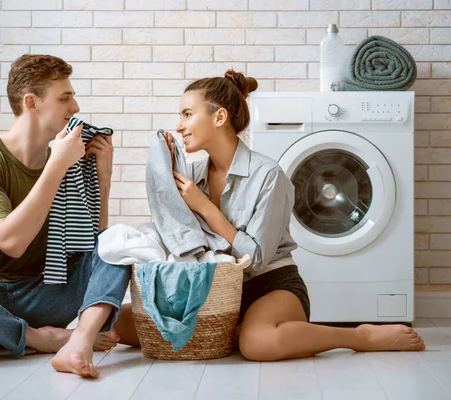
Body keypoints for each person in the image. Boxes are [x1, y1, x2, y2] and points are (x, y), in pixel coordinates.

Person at [111, 70, 426, 360]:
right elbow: (178, 232)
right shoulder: (193, 175)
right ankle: (232, 332)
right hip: (214, 288)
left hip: (271, 285)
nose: (179, 126)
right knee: (119, 319)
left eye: (187, 115)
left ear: (219, 117)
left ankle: (358, 337)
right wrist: (165, 172)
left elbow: (258, 257)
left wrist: (204, 206)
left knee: (257, 343)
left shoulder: (268, 175)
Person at [0, 54, 131, 379]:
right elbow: (12, 242)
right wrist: (56, 166)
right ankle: (40, 338)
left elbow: (92, 244)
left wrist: (104, 179)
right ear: (32, 102)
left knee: (119, 242)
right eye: (64, 97)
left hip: (43, 295)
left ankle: (79, 342)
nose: (75, 107)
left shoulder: (66, 159)